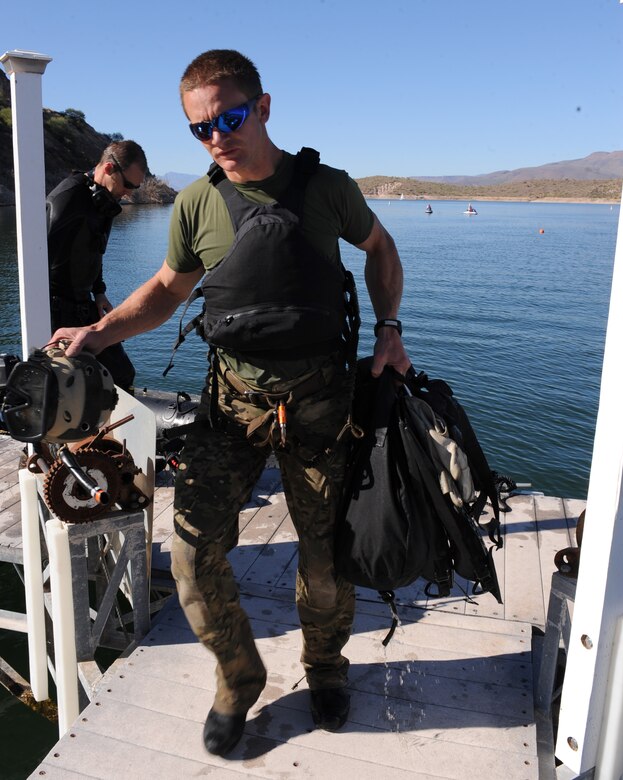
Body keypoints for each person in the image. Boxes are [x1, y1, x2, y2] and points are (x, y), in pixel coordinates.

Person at [52, 50, 410, 757]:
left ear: (265, 106)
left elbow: (380, 247)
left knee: (323, 559)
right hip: (232, 404)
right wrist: (98, 331)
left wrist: (390, 328)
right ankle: (237, 677)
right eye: (200, 129)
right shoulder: (195, 202)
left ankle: (327, 669)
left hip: (321, 405)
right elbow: (165, 290)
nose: (216, 136)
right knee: (189, 555)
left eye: (230, 118)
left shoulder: (326, 187)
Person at [46, 140, 148, 391]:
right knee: (73, 383)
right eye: (128, 185)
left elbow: (95, 251)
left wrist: (99, 291)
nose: (129, 193)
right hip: (56, 308)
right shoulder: (67, 198)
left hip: (85, 305)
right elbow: (37, 256)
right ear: (109, 168)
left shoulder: (104, 203)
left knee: (122, 374)